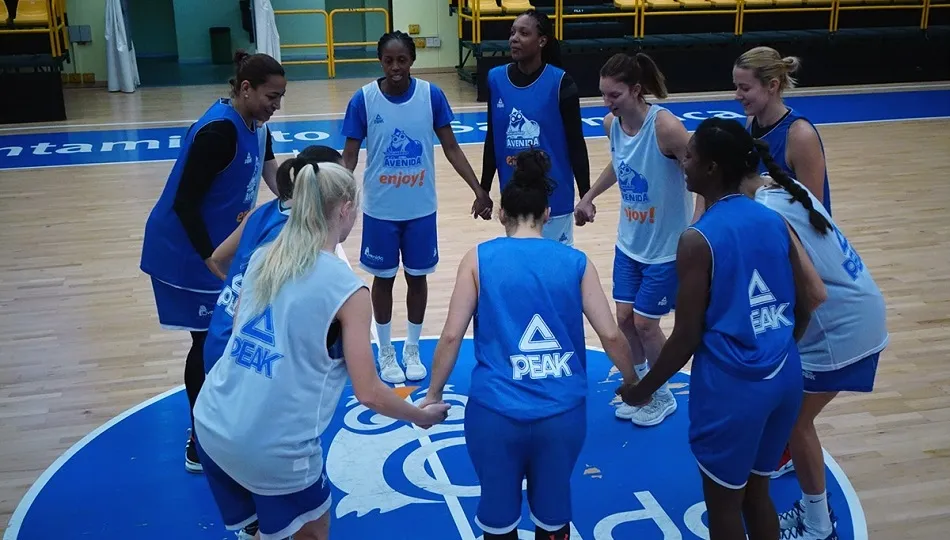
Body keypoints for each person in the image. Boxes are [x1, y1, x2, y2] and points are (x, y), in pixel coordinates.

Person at [193, 161, 451, 540]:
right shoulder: (348, 289)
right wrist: (419, 417)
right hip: (272, 451)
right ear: (345, 210)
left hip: (211, 424)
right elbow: (370, 393)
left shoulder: (264, 256)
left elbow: (236, 340)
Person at [616, 118, 827, 540]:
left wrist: (644, 389)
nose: (684, 162)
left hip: (733, 390)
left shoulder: (697, 239)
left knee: (724, 505)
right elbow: (807, 301)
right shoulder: (771, 218)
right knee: (757, 496)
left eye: (691, 156)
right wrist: (779, 346)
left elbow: (686, 336)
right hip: (783, 377)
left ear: (712, 169)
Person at [423, 149, 638, 540]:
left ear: (502, 213)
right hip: (561, 414)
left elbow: (452, 335)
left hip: (494, 413)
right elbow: (610, 334)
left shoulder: (477, 259)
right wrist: (632, 381)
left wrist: (434, 393)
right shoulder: (576, 262)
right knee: (553, 520)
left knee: (498, 521)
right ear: (546, 213)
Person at [139, 50, 285, 473]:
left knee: (223, 338)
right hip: (186, 252)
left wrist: (300, 200)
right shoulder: (218, 134)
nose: (277, 105)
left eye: (280, 97)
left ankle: (224, 420)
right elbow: (184, 203)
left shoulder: (257, 124)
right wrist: (209, 258)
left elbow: (273, 175)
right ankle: (199, 438)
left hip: (218, 251)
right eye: (271, 97)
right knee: (206, 342)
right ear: (245, 89)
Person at [741, 168, 888, 540]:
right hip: (860, 305)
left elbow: (814, 292)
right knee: (788, 414)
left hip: (841, 326)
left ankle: (819, 527)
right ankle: (811, 508)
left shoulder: (765, 212)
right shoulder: (779, 187)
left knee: (796, 422)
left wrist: (788, 345)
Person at [342, 30, 492, 385]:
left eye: (402, 60)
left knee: (417, 278)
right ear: (380, 61)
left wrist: (479, 189)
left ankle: (411, 347)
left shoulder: (431, 95)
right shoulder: (363, 100)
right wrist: (337, 199)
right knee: (382, 279)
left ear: (412, 60)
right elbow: (348, 156)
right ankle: (385, 350)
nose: (395, 67)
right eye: (389, 60)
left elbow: (452, 147)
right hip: (380, 209)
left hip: (421, 208)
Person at [574, 52, 698, 427]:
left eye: (613, 95)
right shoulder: (612, 124)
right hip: (629, 242)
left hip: (665, 247)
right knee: (624, 319)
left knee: (646, 325)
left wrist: (699, 224)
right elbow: (620, 164)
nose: (605, 103)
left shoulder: (666, 128)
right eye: (602, 94)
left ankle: (662, 393)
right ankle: (643, 385)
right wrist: (589, 196)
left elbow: (701, 169)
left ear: (637, 90)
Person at [481, 9, 591, 246]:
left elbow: (576, 143)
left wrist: (586, 195)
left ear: (542, 41)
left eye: (523, 33)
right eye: (512, 33)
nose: (514, 38)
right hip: (514, 196)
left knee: (556, 270)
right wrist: (484, 190)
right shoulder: (496, 79)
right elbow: (493, 139)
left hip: (555, 196)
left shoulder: (561, 82)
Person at [733, 46, 832, 215]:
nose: (737, 95)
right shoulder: (751, 122)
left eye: (745, 88)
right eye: (736, 87)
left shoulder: (800, 136)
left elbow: (815, 210)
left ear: (772, 85)